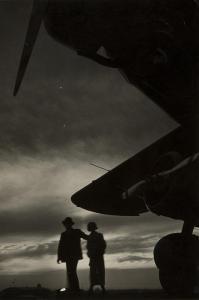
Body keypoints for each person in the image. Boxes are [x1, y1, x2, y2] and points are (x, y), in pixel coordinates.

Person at [57, 217, 88, 292]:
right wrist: (59, 257)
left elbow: (86, 237)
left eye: (68, 224)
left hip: (74, 255)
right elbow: (61, 246)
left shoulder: (77, 231)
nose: (67, 225)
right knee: (70, 272)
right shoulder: (63, 234)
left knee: (72, 271)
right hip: (67, 256)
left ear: (70, 224)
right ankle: (73, 288)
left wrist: (94, 236)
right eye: (66, 224)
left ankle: (75, 289)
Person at [87, 222, 106, 293]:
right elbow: (88, 247)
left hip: (98, 256)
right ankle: (93, 287)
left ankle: (102, 288)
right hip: (93, 257)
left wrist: (98, 251)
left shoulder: (99, 235)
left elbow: (103, 245)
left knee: (99, 271)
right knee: (93, 272)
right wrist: (90, 254)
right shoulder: (90, 237)